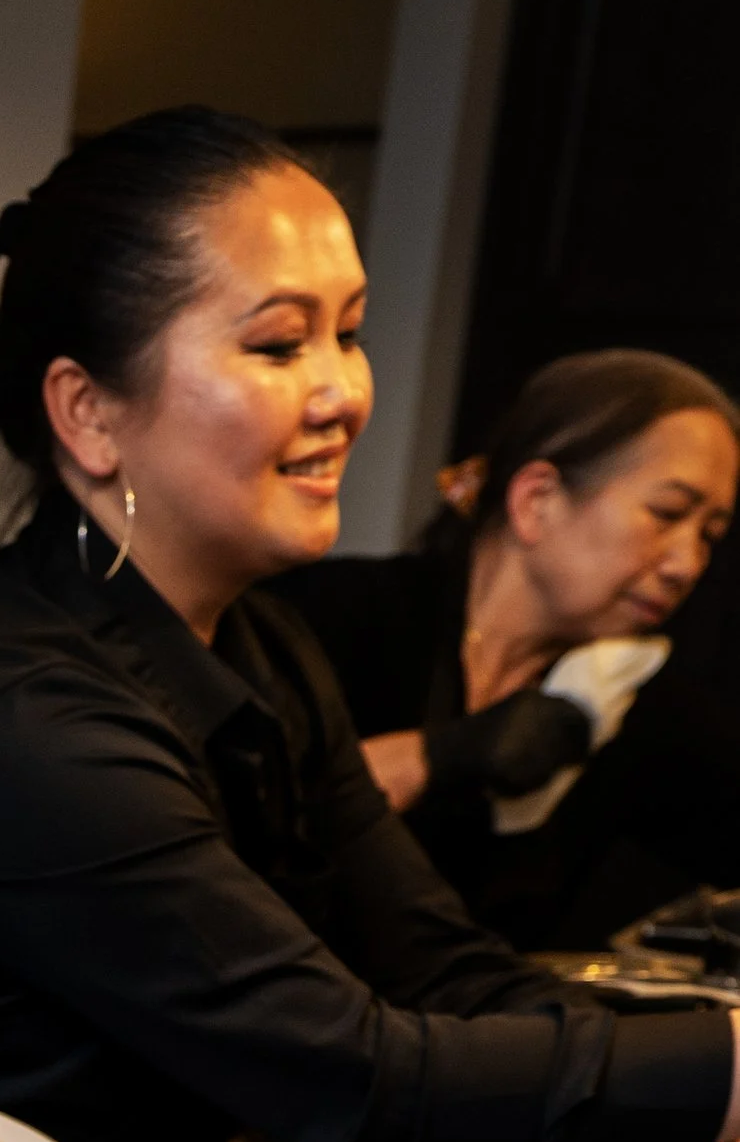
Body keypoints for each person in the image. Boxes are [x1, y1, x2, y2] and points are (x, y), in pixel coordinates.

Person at [0, 105, 740, 1142]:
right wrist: (708, 1078)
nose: (344, 390)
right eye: (279, 343)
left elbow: (435, 962)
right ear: (90, 414)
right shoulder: (29, 729)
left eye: (349, 331)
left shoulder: (260, 645)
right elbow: (355, 1076)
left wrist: (687, 1080)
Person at [276, 351, 740, 948]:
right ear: (536, 499)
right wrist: (442, 756)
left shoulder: (628, 699)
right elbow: (240, 825)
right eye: (667, 513)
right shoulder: (333, 615)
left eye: (710, 535)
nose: (687, 564)